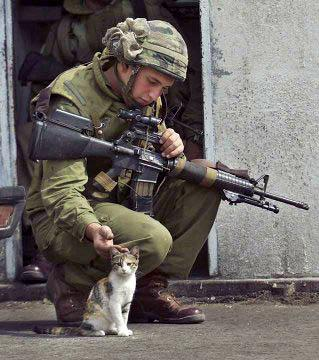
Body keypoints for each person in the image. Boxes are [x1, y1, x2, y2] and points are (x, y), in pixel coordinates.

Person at [26, 17, 220, 325]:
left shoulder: (142, 95)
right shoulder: (71, 97)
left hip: (120, 198)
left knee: (206, 184)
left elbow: (147, 147)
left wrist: (169, 143)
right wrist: (90, 228)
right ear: (126, 65)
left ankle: (145, 291)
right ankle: (72, 284)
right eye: (152, 82)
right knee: (152, 239)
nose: (155, 95)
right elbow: (61, 192)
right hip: (63, 215)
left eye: (164, 88)